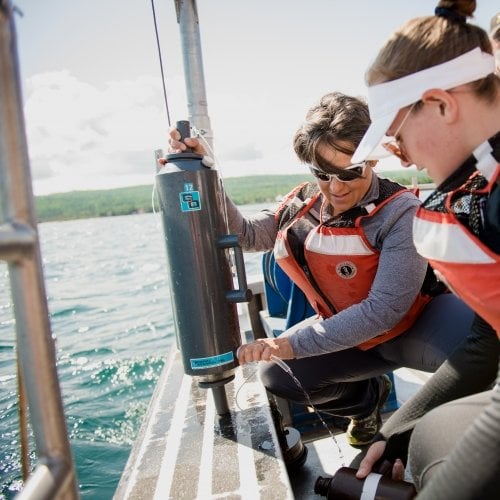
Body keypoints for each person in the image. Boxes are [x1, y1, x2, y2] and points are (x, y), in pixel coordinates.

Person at [163, 91, 473, 448]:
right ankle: (366, 403)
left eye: (349, 172)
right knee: (277, 375)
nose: (335, 188)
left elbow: (384, 311)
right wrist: (205, 171)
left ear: (371, 160)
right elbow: (246, 235)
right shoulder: (301, 206)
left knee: (482, 352)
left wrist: (287, 343)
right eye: (322, 174)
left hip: (414, 327)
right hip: (349, 336)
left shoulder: (401, 212)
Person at [352, 1, 500, 498]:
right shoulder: (480, 189)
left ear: (440, 103)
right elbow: (487, 341)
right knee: (425, 438)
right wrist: (395, 432)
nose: (404, 155)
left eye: (397, 133)